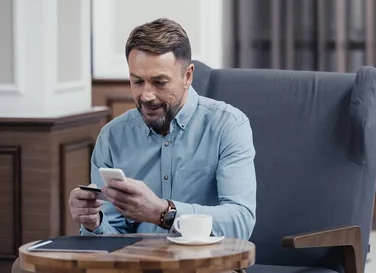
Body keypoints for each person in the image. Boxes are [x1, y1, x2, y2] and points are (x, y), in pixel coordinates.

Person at [68, 18, 256, 239]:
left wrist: (162, 212)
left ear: (187, 76)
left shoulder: (228, 126)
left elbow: (240, 223)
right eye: (137, 82)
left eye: (160, 82)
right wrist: (93, 222)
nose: (146, 95)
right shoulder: (113, 136)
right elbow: (112, 238)